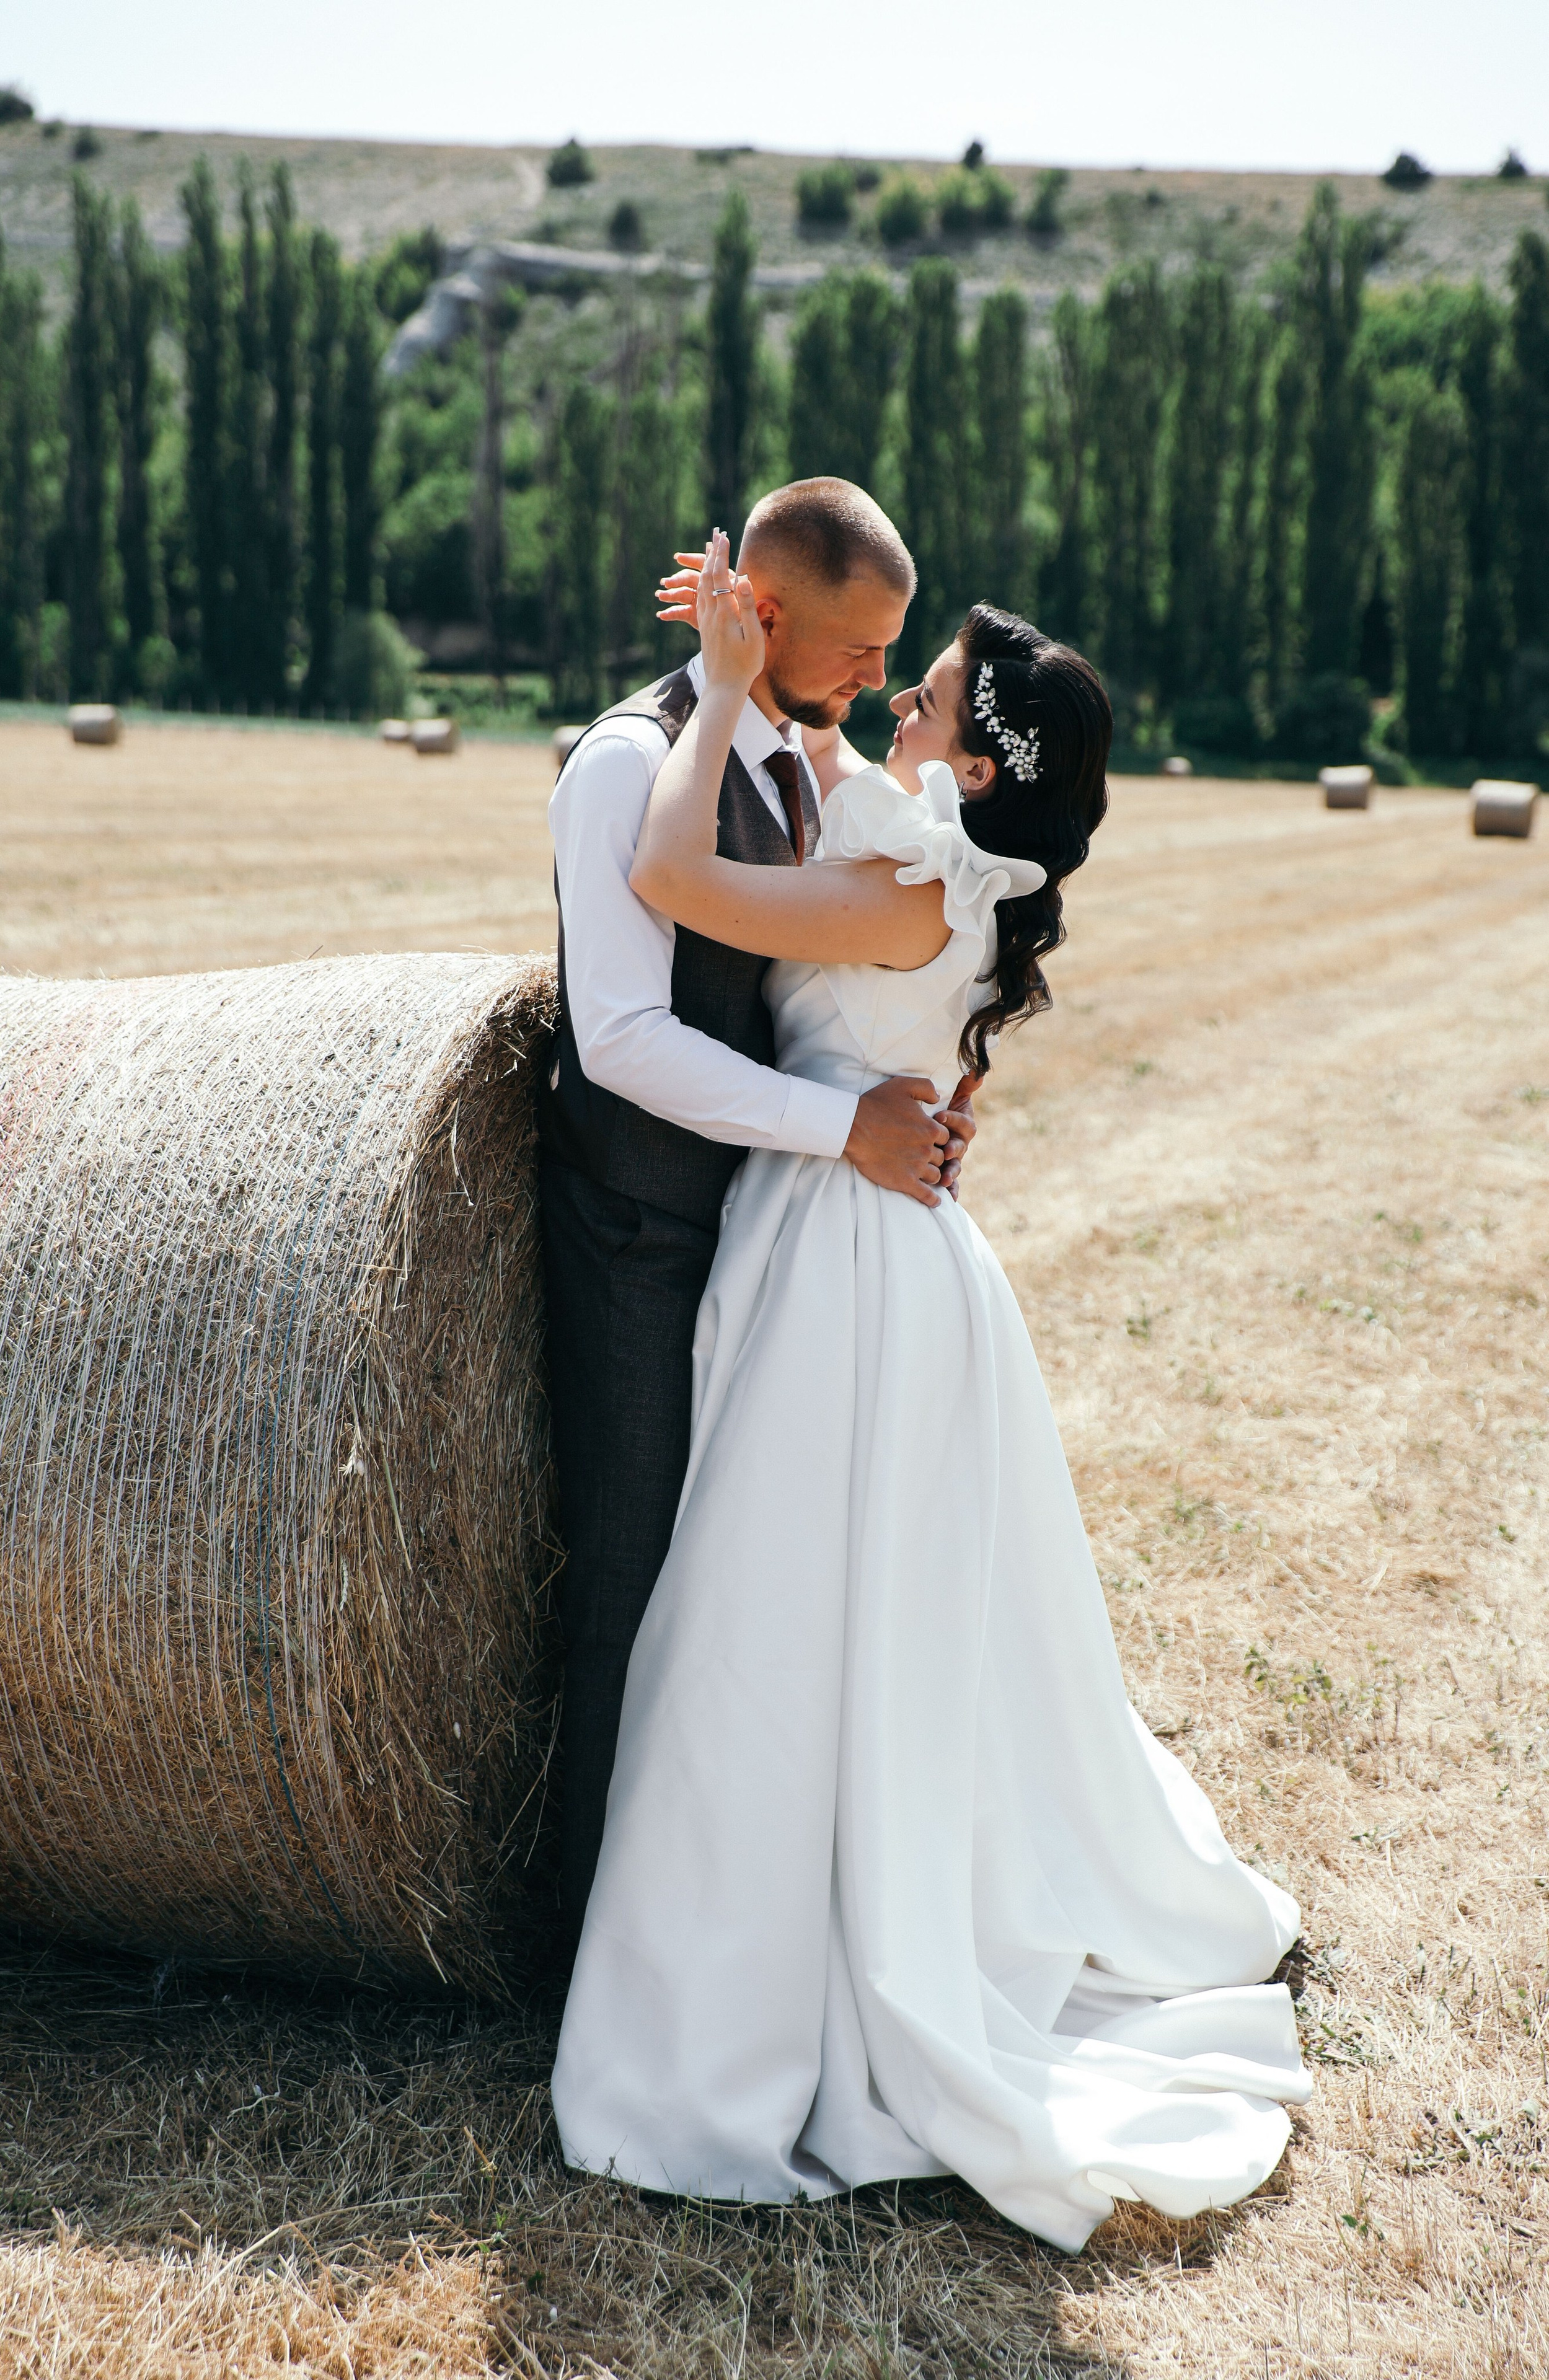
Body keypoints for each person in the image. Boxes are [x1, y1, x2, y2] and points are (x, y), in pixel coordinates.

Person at [549, 535, 1311, 2253]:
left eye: (935, 689)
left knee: (770, 1630)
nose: (898, 694)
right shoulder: (924, 854)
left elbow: (672, 873)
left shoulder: (913, 885)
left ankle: (751, 1983)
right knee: (826, 1625)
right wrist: (752, 659)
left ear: (972, 766)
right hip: (861, 1242)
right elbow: (820, 820)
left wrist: (729, 683)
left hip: (846, 1269)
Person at [538, 480, 978, 1944]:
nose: (877, 678)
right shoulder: (626, 764)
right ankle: (588, 1947)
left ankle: (721, 1919)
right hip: (641, 1232)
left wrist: (915, 1093)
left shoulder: (797, 756)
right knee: (627, 1582)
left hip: (768, 1240)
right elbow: (621, 1040)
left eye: (895, 650)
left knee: (741, 1592)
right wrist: (842, 1127)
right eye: (857, 648)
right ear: (768, 617)